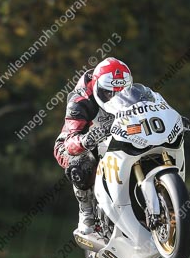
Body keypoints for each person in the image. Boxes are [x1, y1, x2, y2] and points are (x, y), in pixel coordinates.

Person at [53, 57, 133, 234]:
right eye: (109, 93)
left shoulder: (133, 94)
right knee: (81, 163)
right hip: (76, 142)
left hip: (115, 135)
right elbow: (70, 141)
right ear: (98, 87)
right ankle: (86, 211)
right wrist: (86, 140)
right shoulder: (80, 100)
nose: (115, 97)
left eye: (121, 92)